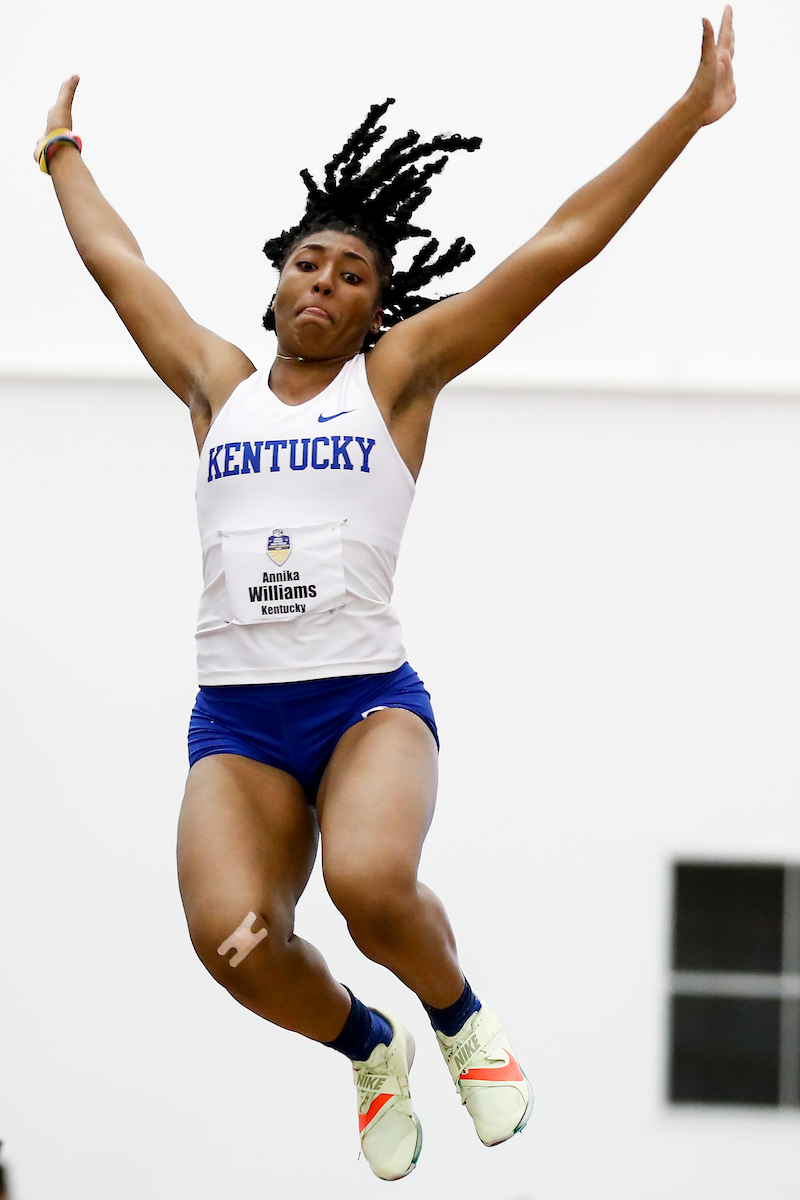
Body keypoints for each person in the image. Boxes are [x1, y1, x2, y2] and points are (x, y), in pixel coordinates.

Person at [35, 10, 735, 1181]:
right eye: (309, 263)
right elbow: (119, 265)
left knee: (365, 882)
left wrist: (682, 117)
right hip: (241, 723)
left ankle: (460, 1020)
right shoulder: (217, 386)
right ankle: (370, 1047)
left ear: (376, 307)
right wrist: (61, 151)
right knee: (238, 944)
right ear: (275, 289)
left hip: (363, 705)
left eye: (353, 274)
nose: (327, 280)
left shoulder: (399, 381)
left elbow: (554, 246)